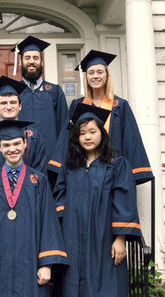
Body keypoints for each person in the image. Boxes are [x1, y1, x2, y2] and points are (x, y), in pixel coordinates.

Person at [53, 103, 141, 297]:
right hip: (72, 237)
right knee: (72, 285)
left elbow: (124, 200)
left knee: (105, 285)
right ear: (76, 137)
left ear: (102, 133)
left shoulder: (116, 163)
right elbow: (59, 198)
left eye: (92, 131)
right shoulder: (70, 166)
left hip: (104, 236)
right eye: (82, 133)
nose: (87, 137)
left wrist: (120, 239)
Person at [0, 119, 69, 297]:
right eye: (7, 145)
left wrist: (46, 264)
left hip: (31, 264)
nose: (12, 149)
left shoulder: (39, 180)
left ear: (25, 143)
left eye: (17, 143)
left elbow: (48, 223)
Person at [70, 49, 153, 184]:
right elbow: (70, 140)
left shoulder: (120, 105)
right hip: (84, 171)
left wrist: (133, 172)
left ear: (107, 75)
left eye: (100, 72)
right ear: (86, 78)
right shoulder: (77, 105)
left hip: (114, 171)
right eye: (91, 73)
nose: (95, 76)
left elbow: (131, 139)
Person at [0, 75, 47, 193]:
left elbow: (39, 169)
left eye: (13, 102)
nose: (9, 107)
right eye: (4, 103)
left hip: (28, 197)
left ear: (20, 106)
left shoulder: (33, 135)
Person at [11, 35, 69, 186]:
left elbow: (65, 127)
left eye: (36, 58)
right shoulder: (13, 93)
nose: (31, 61)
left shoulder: (54, 91)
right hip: (19, 162)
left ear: (41, 62)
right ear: (21, 62)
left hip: (51, 164)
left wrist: (57, 160)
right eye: (27, 57)